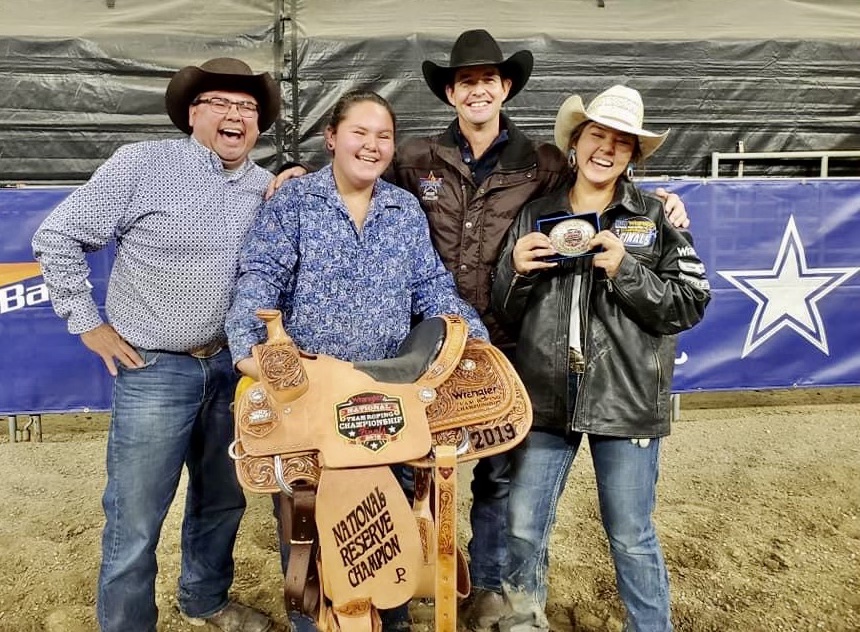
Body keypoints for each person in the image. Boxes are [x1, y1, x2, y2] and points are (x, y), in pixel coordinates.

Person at [266, 29, 691, 632]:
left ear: (506, 87)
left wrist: (659, 201)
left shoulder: (541, 163)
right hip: (429, 344)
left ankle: (488, 588)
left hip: (510, 339)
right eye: (466, 81)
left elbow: (600, 189)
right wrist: (297, 170)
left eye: (489, 79)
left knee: (499, 476)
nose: (478, 90)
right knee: (415, 464)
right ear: (451, 92)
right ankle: (400, 579)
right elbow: (364, 169)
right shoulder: (416, 158)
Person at [225, 88, 490, 631]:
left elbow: (430, 286)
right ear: (331, 138)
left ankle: (391, 619)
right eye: (360, 133)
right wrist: (252, 351)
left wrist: (473, 337)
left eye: (384, 136)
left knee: (390, 525)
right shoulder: (295, 202)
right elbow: (259, 278)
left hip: (387, 396)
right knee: (308, 535)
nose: (372, 146)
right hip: (313, 393)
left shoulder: (404, 208)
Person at [31, 58, 280, 632]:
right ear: (193, 114)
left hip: (233, 367)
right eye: (220, 102)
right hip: (153, 370)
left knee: (223, 501)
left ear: (259, 124)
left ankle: (206, 601)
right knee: (136, 515)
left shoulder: (266, 187)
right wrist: (86, 322)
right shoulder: (142, 164)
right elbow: (57, 236)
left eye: (246, 107)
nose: (235, 115)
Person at [490, 84, 711, 632]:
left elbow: (689, 302)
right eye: (597, 135)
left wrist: (626, 271)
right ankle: (523, 622)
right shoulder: (537, 214)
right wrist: (515, 268)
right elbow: (503, 306)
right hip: (544, 394)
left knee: (632, 534)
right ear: (576, 142)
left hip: (627, 397)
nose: (606, 149)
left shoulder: (657, 218)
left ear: (633, 155)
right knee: (522, 525)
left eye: (621, 142)